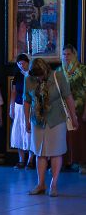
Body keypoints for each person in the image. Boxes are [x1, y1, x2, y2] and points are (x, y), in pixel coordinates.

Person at [24, 58, 80, 196]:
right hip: (37, 121)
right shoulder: (29, 79)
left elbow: (68, 97)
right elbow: (27, 101)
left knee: (56, 151)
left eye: (40, 75)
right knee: (39, 152)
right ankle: (41, 184)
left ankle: (53, 185)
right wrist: (26, 121)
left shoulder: (58, 76)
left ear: (45, 70)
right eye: (35, 76)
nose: (38, 78)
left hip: (56, 119)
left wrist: (74, 117)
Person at [57, 44, 86, 174]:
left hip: (79, 109)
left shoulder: (83, 70)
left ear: (74, 55)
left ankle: (81, 163)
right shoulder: (59, 71)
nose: (66, 57)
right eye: (64, 54)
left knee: (79, 137)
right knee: (63, 137)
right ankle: (63, 163)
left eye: (68, 54)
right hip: (63, 110)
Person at [9, 53, 35, 169]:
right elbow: (14, 92)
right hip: (19, 106)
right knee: (19, 132)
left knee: (30, 132)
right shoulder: (18, 75)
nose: (21, 65)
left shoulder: (33, 75)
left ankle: (30, 160)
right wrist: (11, 107)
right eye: (19, 64)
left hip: (31, 107)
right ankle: (21, 159)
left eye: (23, 63)